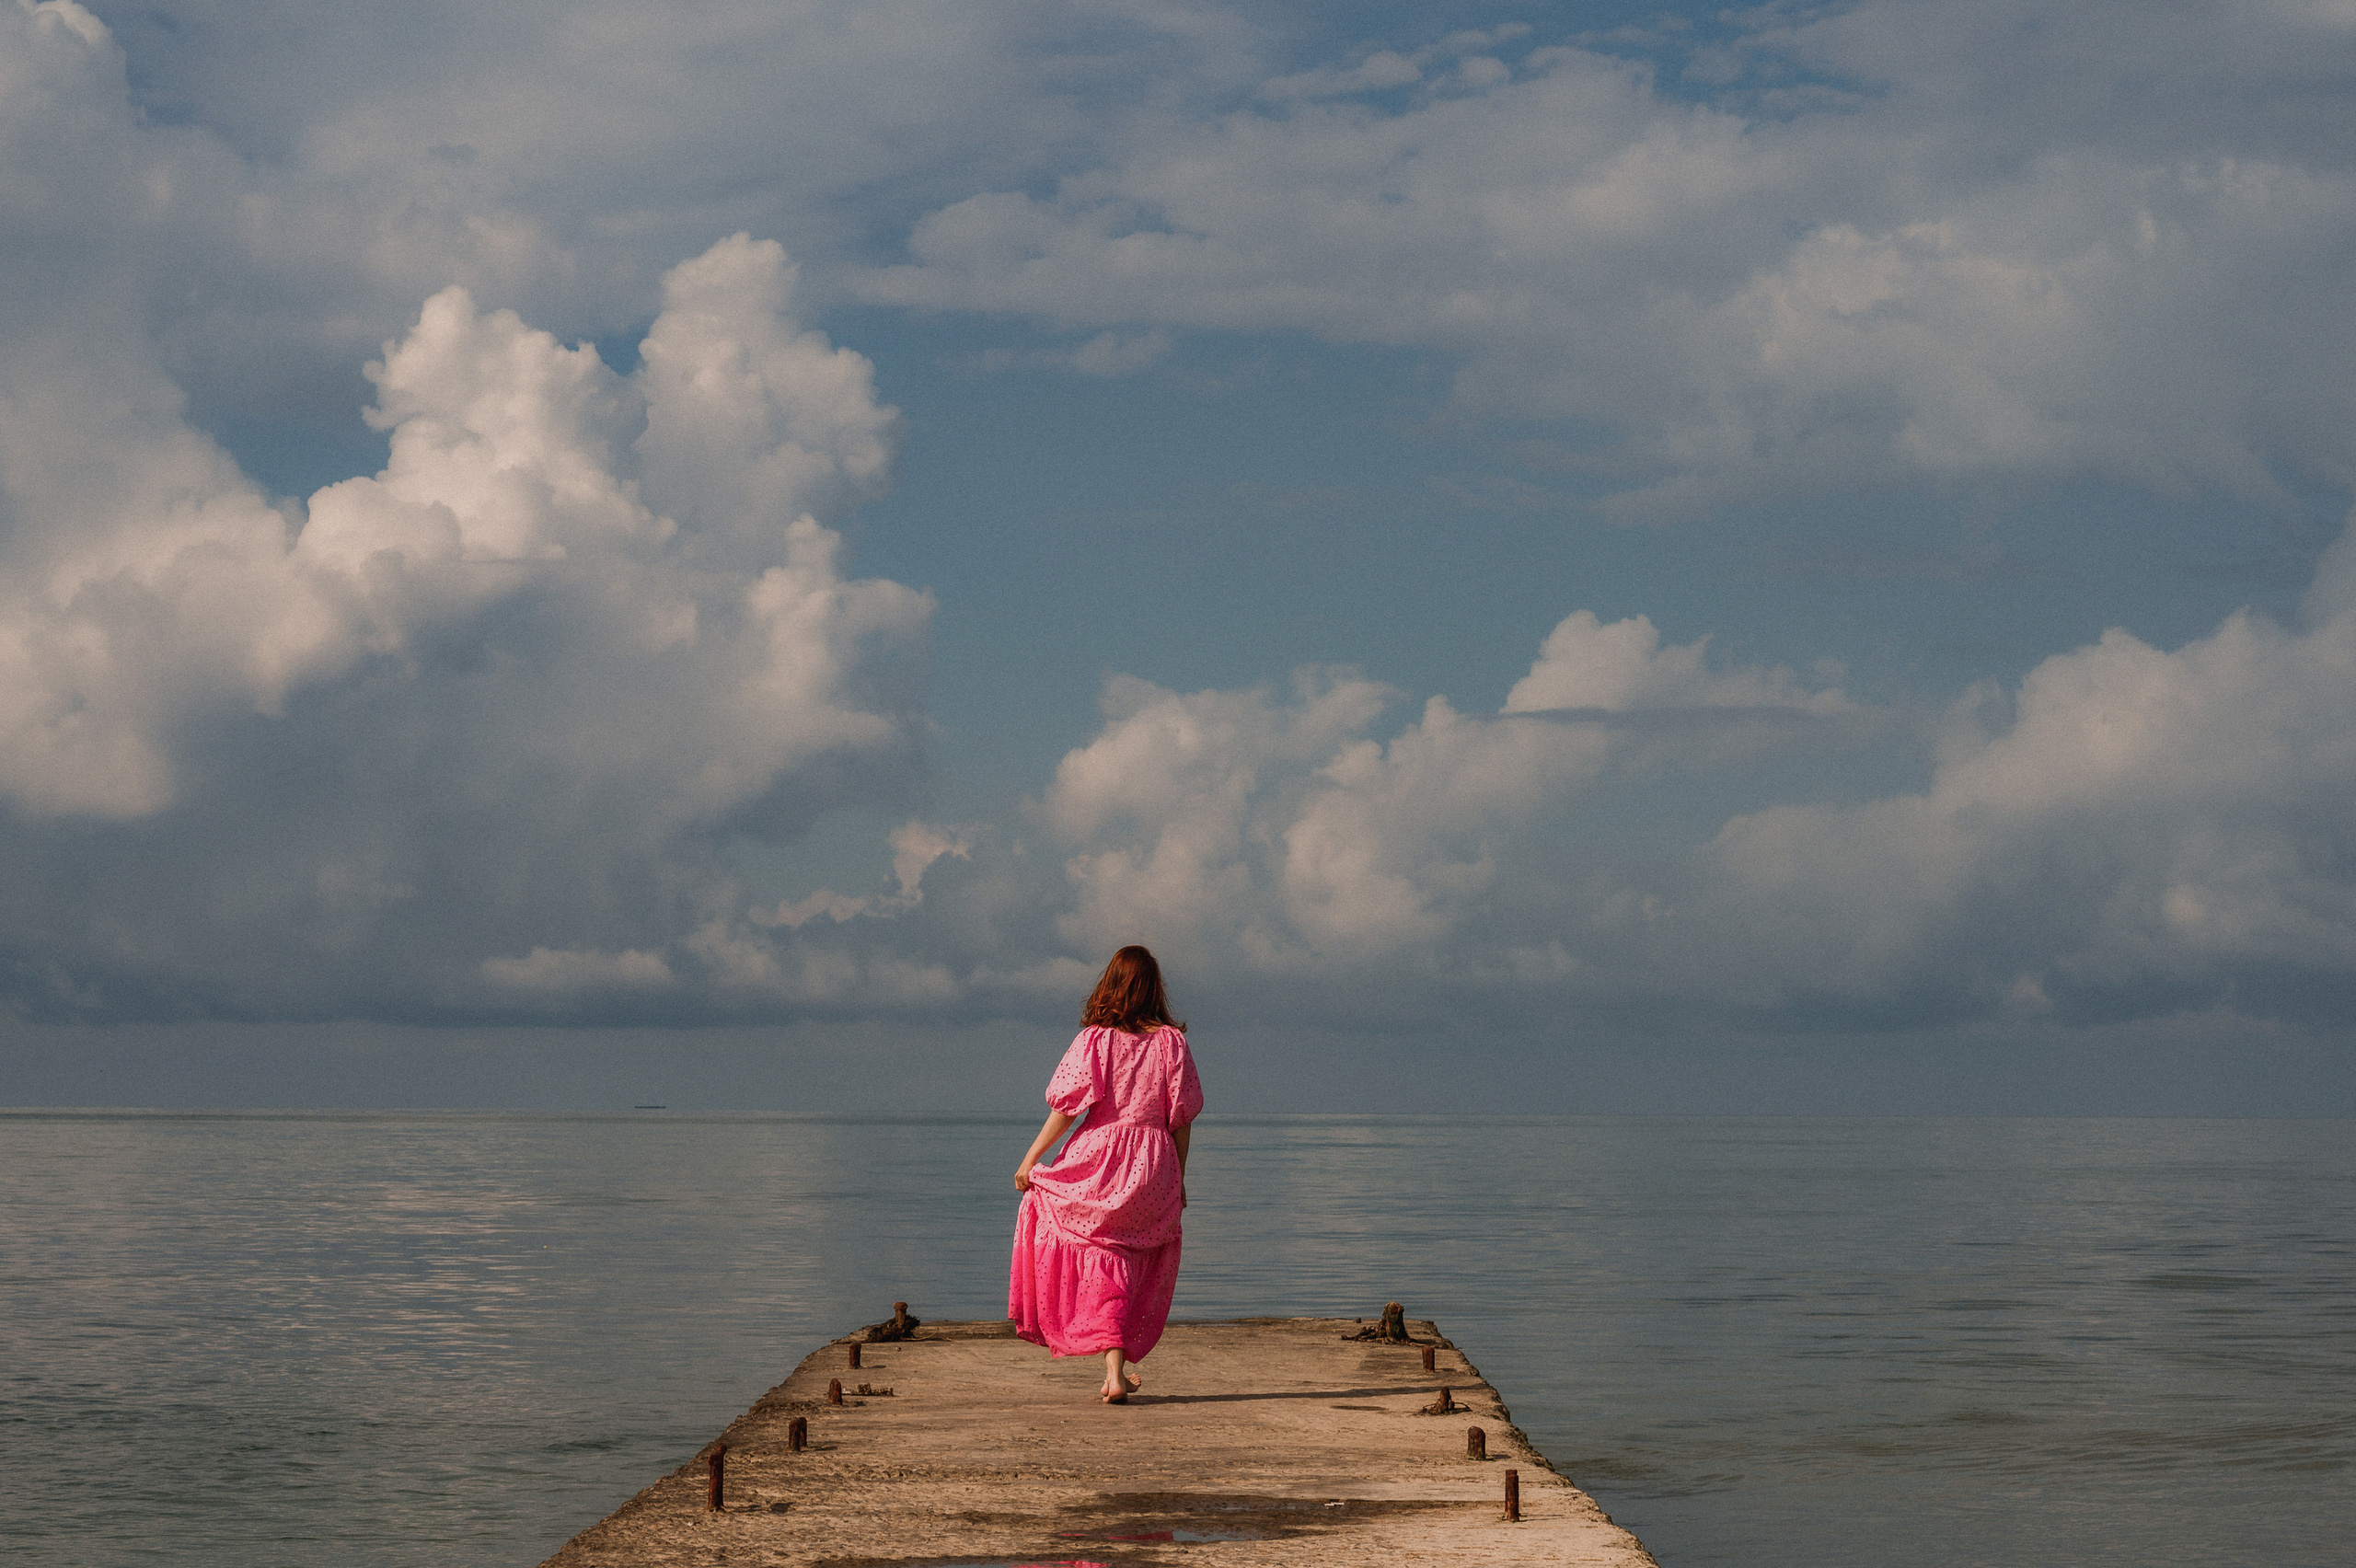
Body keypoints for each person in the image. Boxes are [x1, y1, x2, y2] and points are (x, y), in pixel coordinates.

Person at [1008, 945, 1204, 1404]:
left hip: (1101, 1159)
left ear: (1111, 984)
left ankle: (1113, 1371)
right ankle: (1114, 1369)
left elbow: (1065, 1109)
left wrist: (1030, 1159)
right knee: (1130, 1258)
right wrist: (1179, 1179)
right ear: (1155, 988)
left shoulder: (1096, 1040)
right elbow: (1182, 1120)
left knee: (1089, 1246)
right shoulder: (1172, 1043)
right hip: (1154, 1164)